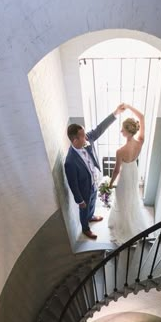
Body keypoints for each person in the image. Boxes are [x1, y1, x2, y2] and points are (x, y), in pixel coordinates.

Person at [65, 104, 125, 239]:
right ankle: (85, 229)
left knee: (92, 203)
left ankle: (91, 216)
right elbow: (73, 184)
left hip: (93, 182)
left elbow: (99, 129)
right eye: (82, 136)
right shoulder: (70, 162)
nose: (86, 137)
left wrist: (115, 113)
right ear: (75, 140)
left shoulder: (86, 139)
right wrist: (79, 200)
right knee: (84, 207)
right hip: (83, 189)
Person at [108, 104, 148, 246]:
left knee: (121, 198)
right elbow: (142, 117)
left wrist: (110, 184)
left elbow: (116, 171)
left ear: (128, 131)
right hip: (134, 171)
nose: (120, 131)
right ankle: (131, 221)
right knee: (131, 196)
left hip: (125, 175)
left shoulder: (120, 151)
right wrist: (129, 107)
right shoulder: (141, 141)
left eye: (122, 129)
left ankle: (125, 227)